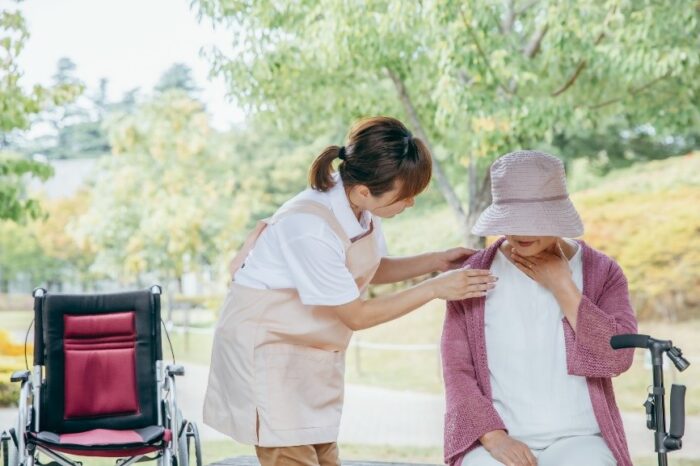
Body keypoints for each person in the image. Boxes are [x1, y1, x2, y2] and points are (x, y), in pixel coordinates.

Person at [204, 116, 498, 466]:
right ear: (363, 190)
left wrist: (436, 261)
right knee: (291, 455)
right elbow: (357, 315)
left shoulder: (361, 210)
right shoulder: (309, 226)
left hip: (306, 347)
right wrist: (436, 289)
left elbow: (368, 269)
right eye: (405, 196)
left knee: (325, 455)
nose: (410, 204)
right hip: (266, 347)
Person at [441, 150, 637, 466]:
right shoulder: (474, 273)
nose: (521, 231)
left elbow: (617, 358)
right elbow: (457, 371)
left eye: (535, 219)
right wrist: (494, 438)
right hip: (496, 439)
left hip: (580, 439)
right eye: (512, 219)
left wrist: (563, 285)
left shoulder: (602, 272)